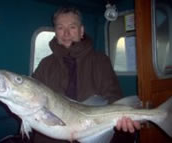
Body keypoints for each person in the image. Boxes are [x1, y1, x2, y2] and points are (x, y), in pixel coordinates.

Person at [32, 7, 140, 143]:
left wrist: (123, 116)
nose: (66, 33)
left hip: (93, 131)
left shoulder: (100, 60)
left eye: (72, 27)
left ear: (81, 31)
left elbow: (112, 95)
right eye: (60, 28)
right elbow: (31, 96)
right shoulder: (45, 64)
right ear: (55, 32)